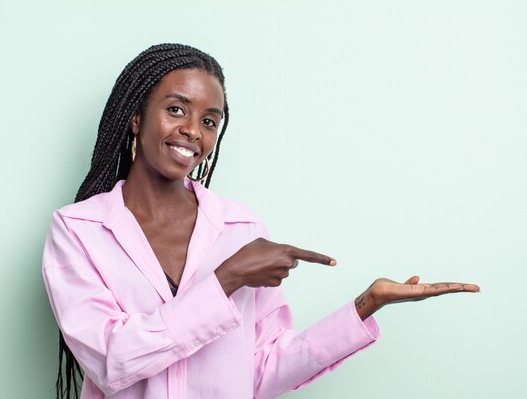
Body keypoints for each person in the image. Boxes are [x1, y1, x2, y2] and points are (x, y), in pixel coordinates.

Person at [42, 43, 480, 399]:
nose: (194, 130)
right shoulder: (78, 231)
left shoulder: (241, 228)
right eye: (176, 109)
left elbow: (262, 370)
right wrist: (226, 278)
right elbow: (111, 359)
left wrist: (367, 305)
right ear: (136, 116)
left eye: (210, 120)